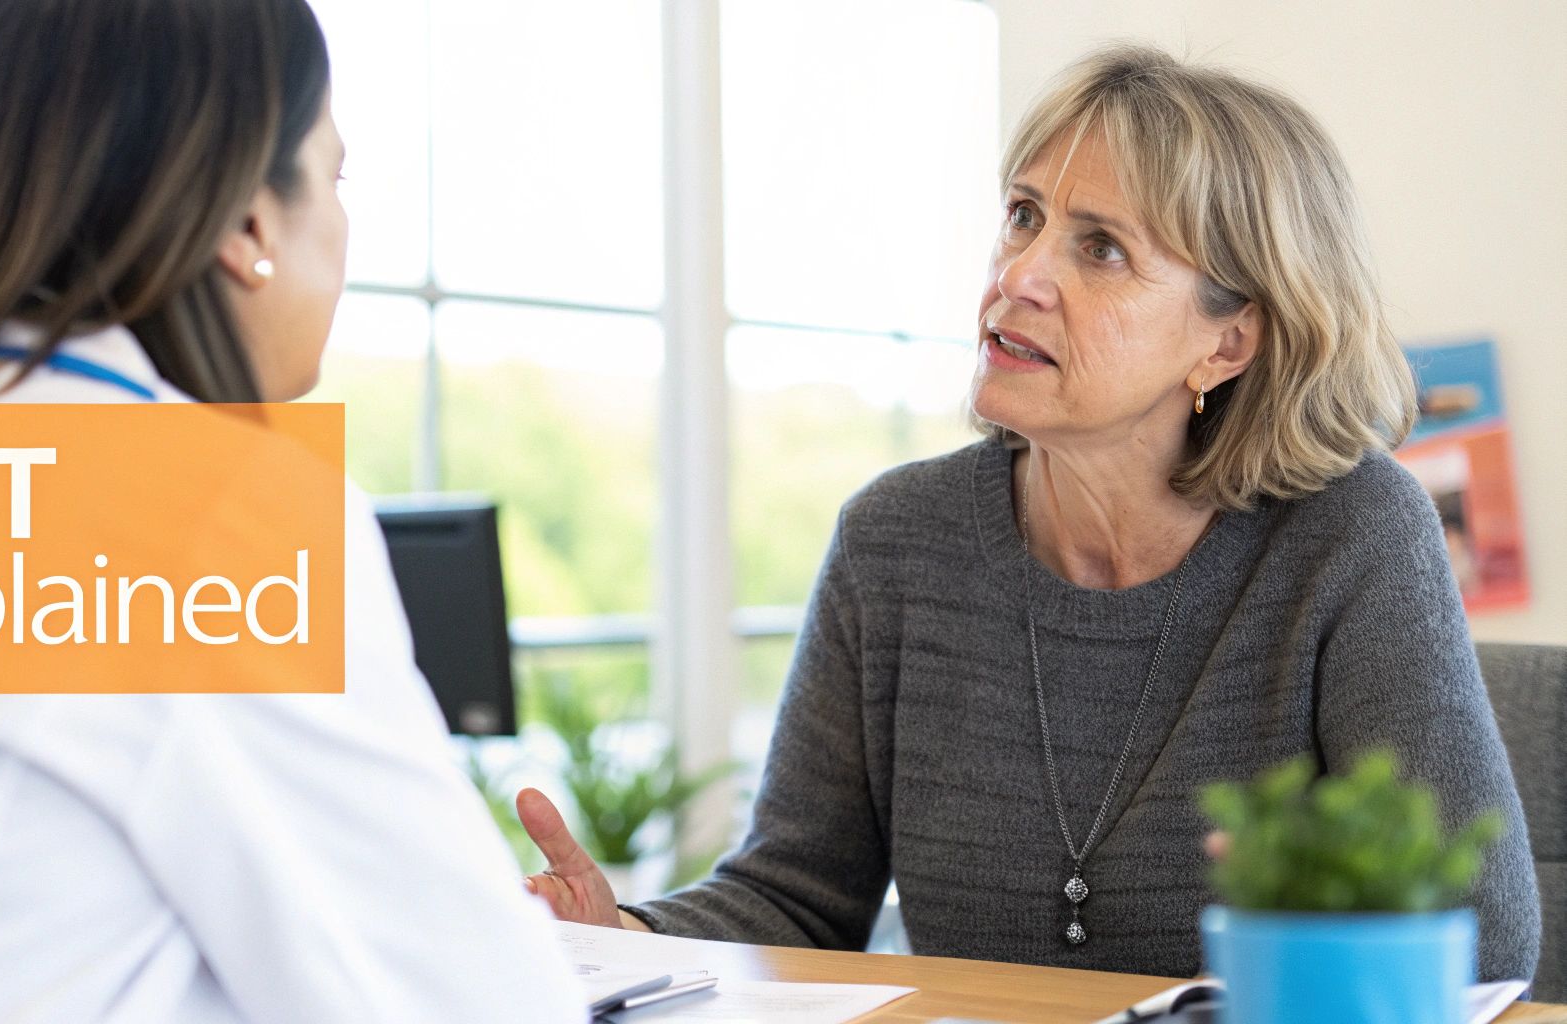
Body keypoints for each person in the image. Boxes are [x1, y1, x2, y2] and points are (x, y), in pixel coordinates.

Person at [518, 44, 1543, 982]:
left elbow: (1481, 934)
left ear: (1224, 344)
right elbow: (795, 896)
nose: (1018, 277)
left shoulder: (1353, 535)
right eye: (1022, 216)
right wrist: (623, 934)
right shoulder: (894, 540)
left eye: (1098, 249)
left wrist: (1300, 911)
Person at [0, 1, 583, 1020]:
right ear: (246, 223)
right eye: (334, 173)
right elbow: (475, 1002)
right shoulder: (197, 505)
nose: (343, 221)